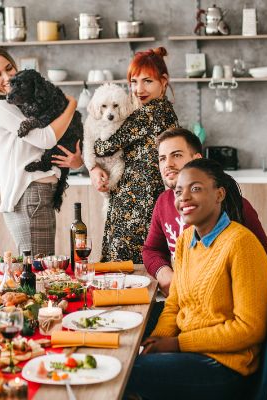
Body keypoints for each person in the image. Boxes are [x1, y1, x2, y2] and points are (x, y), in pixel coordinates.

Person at [127, 158, 267, 399]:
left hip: (225, 366)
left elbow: (249, 329)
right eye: (178, 191)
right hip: (191, 353)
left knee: (126, 374)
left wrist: (177, 344)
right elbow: (175, 303)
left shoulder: (240, 244)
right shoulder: (186, 240)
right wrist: (159, 342)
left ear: (219, 194)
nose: (183, 197)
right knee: (132, 360)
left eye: (195, 188)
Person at [0, 46, 82, 255]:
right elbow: (46, 139)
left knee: (38, 270)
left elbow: (52, 142)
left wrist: (76, 161)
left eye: (9, 68)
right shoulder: (3, 107)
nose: (7, 76)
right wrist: (71, 105)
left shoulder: (23, 104)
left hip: (37, 194)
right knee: (40, 272)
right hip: (32, 195)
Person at [144, 127, 267, 298]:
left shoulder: (236, 206)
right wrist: (165, 275)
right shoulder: (163, 201)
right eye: (162, 158)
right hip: (183, 302)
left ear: (197, 159)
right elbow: (151, 249)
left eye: (176, 155)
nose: (168, 164)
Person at [89, 47, 179, 263]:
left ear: (163, 82)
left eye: (148, 81)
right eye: (134, 81)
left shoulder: (153, 112)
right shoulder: (155, 110)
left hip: (139, 208)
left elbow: (104, 146)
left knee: (128, 276)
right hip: (136, 203)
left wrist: (93, 162)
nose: (139, 89)